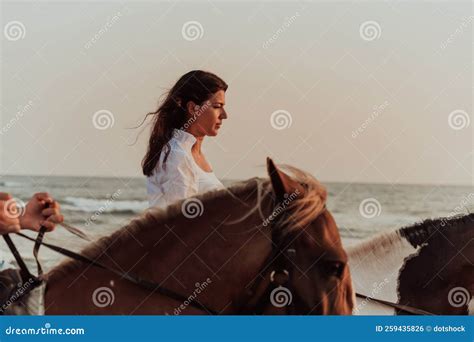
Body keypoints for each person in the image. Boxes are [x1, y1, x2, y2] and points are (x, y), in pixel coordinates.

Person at [142, 70, 229, 208]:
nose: (224, 115)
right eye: (217, 107)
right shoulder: (177, 155)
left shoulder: (193, 154)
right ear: (193, 108)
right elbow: (182, 221)